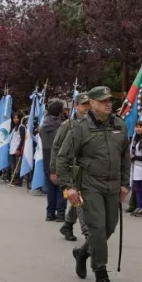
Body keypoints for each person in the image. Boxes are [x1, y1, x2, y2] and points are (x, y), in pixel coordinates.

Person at [57, 86, 130, 282]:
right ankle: (101, 273)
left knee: (109, 227)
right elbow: (63, 157)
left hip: (113, 184)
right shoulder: (80, 128)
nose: (109, 104)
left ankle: (82, 252)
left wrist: (125, 183)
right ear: (92, 104)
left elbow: (125, 156)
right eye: (104, 101)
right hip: (90, 184)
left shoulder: (119, 124)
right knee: (97, 228)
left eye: (110, 100)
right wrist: (67, 187)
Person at [52, 92, 91, 242]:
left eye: (89, 104)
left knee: (79, 200)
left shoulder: (92, 124)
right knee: (79, 201)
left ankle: (67, 225)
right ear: (76, 106)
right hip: (70, 169)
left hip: (86, 169)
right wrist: (54, 171)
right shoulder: (67, 125)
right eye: (83, 104)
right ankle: (87, 233)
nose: (86, 107)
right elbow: (56, 148)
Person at [40, 100, 67, 222]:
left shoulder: (42, 126)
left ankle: (50, 213)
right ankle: (61, 213)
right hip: (60, 156)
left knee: (50, 187)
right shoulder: (62, 126)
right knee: (63, 186)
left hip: (46, 156)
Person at [130, 120, 142, 217]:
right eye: (136, 127)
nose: (138, 129)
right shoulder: (135, 139)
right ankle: (139, 205)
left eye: (140, 127)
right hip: (136, 167)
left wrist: (134, 157)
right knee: (137, 188)